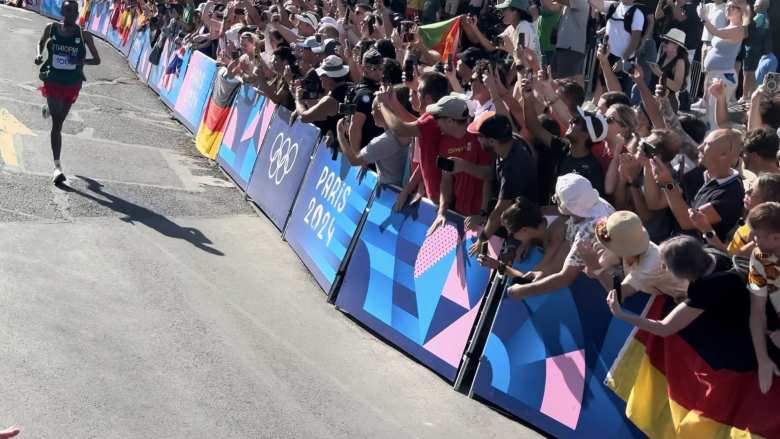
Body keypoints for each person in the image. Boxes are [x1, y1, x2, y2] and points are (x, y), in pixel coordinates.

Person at [442, 112, 538, 254]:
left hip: (520, 229)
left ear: (492, 141)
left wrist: (483, 238)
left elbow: (500, 210)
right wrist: (463, 166)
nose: (476, 140)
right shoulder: (509, 142)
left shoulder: (513, 168)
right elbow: (489, 174)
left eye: (479, 137)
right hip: (510, 218)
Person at [507, 173, 615, 299]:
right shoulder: (595, 203)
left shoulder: (587, 230)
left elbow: (565, 278)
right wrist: (542, 273)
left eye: (558, 198)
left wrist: (521, 291)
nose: (555, 199)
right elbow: (567, 249)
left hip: (613, 285)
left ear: (571, 206)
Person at [35, 0, 101, 185]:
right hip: (54, 80)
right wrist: (39, 55)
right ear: (62, 11)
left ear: (77, 12)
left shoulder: (84, 35)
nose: (71, 14)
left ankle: (48, 107)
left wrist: (81, 62)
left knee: (60, 119)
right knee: (57, 125)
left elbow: (97, 60)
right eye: (67, 10)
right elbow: (40, 43)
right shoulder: (51, 28)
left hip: (72, 83)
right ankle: (57, 167)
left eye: (73, 11)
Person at [652, 128, 745, 243]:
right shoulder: (701, 173)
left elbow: (687, 221)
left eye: (707, 145)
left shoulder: (730, 194)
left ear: (723, 155)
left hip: (700, 254)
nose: (699, 147)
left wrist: (667, 183)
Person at [579, 210, 689, 301]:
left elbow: (619, 296)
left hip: (688, 298)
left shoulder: (649, 265)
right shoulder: (630, 243)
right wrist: (594, 266)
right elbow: (593, 272)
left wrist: (597, 268)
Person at [524, 89, 608, 196]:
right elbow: (533, 125)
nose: (570, 121)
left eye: (576, 122)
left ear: (585, 135)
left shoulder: (592, 170)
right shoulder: (562, 146)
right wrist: (527, 98)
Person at [477, 196, 569, 281]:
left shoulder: (553, 241)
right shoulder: (541, 211)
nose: (513, 237)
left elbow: (531, 279)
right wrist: (526, 242)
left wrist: (498, 266)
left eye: (513, 234)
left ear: (524, 230)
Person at [336, 86, 413, 186]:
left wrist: (340, 134)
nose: (371, 113)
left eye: (374, 109)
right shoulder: (405, 132)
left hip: (390, 193)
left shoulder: (384, 141)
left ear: (385, 111)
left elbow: (354, 160)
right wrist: (366, 158)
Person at [747, 202, 780, 393]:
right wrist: (763, 360)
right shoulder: (759, 256)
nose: (752, 238)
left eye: (757, 235)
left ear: (776, 237)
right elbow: (757, 312)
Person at [294, 55, 350, 142]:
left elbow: (304, 117)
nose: (320, 78)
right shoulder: (350, 88)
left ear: (329, 77)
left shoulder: (329, 101)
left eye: (322, 75)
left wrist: (298, 99)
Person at [348, 49, 384, 149]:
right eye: (373, 68)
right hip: (369, 152)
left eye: (380, 68)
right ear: (364, 68)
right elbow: (355, 128)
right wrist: (358, 156)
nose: (378, 72)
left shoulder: (378, 86)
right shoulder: (364, 94)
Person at [551, 0, 590, 85]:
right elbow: (550, 6)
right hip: (563, 47)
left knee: (563, 85)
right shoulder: (568, 4)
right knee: (555, 81)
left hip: (570, 49)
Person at [651, 28, 690, 112]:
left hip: (668, 104)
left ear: (676, 45)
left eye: (667, 41)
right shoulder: (663, 55)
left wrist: (660, 74)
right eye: (664, 40)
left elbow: (676, 87)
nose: (663, 43)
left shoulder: (680, 61)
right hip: (656, 98)